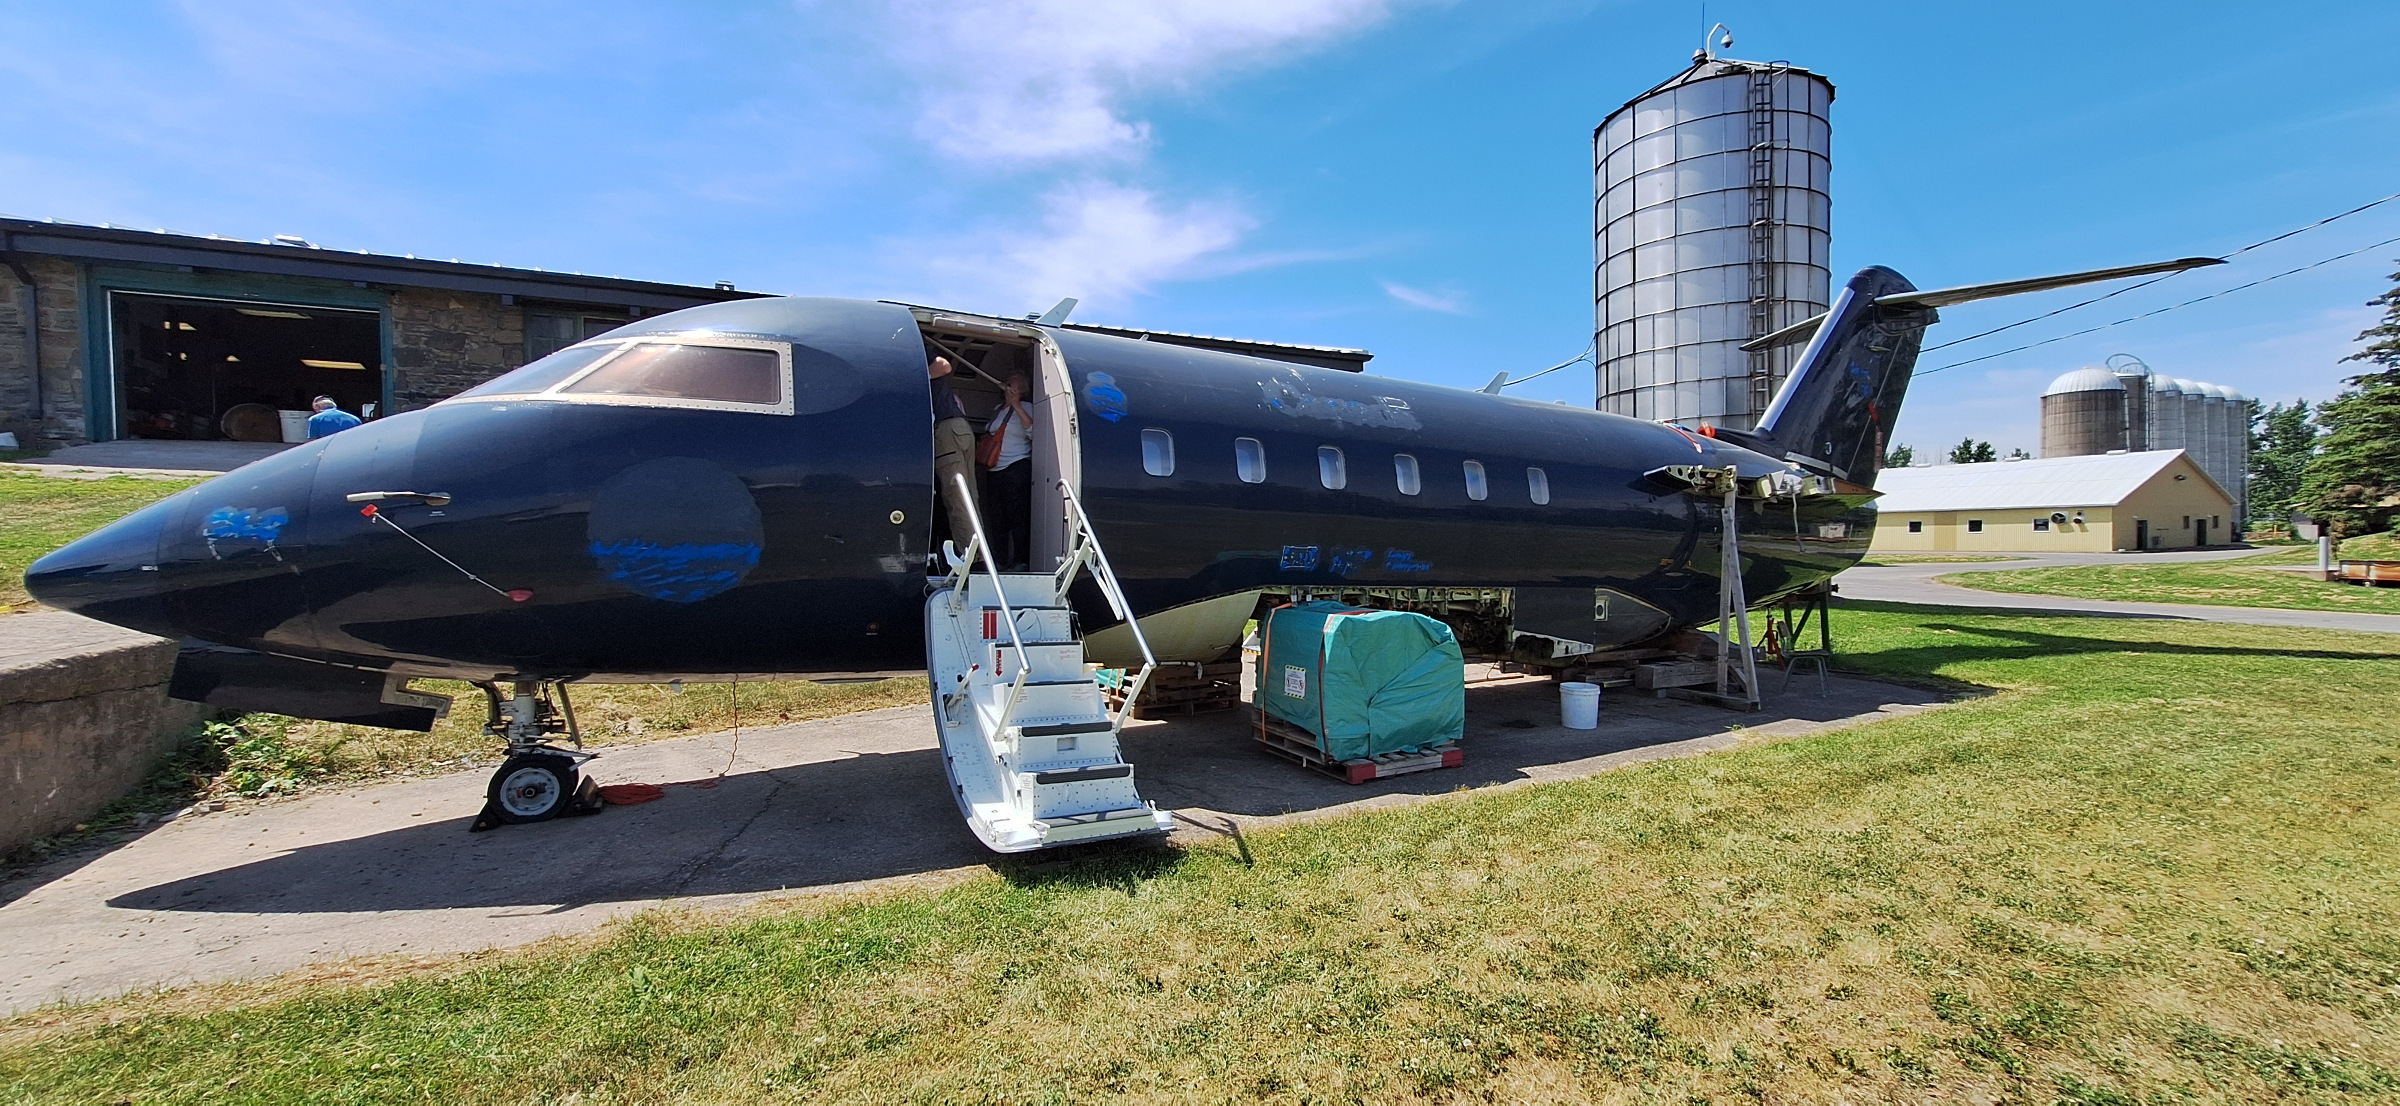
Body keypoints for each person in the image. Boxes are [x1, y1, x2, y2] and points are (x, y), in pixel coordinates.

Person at [981, 371, 1036, 570]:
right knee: (997, 518)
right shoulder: (997, 409)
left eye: (1013, 384)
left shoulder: (1029, 407)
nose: (1008, 387)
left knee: (1017, 517)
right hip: (994, 469)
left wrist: (1016, 405)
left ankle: (1021, 560)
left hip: (1016, 467)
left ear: (1023, 389)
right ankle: (1001, 560)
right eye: (1007, 383)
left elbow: (1032, 431)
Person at [928, 356, 980, 548]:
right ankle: (979, 552)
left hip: (947, 429)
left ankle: (972, 557)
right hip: (960, 428)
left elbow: (943, 365)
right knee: (969, 495)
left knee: (956, 496)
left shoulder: (921, 350)